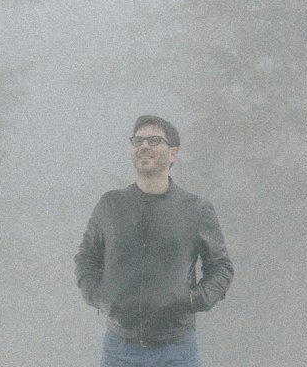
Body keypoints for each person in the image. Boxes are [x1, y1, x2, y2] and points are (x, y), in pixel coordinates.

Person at [74, 115, 233, 367]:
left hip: (177, 349)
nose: (144, 146)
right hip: (119, 348)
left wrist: (194, 299)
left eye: (154, 140)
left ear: (173, 153)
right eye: (138, 140)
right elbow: (86, 258)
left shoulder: (195, 209)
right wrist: (98, 295)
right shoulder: (111, 205)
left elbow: (221, 267)